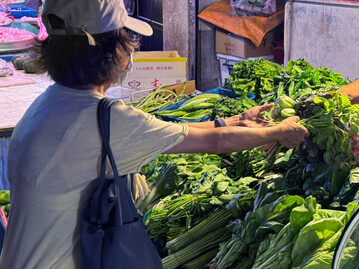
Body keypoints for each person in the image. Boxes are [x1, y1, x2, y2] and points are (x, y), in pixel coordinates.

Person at [0, 0, 309, 268]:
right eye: (127, 39)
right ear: (109, 51)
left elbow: (180, 131)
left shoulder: (48, 103)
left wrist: (234, 119)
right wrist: (278, 131)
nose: (132, 48)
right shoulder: (103, 118)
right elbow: (217, 143)